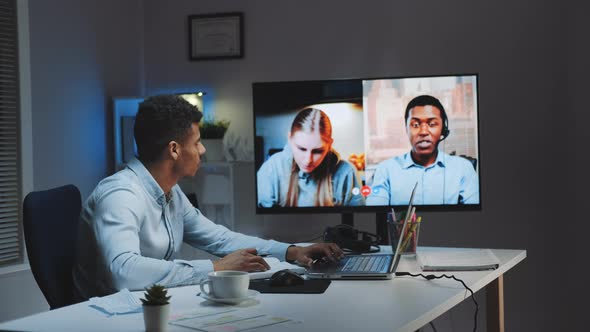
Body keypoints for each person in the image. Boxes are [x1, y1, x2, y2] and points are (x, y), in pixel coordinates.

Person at [72, 95, 343, 300]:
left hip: (148, 306)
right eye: (197, 142)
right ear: (174, 150)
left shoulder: (169, 191)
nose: (202, 150)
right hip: (109, 320)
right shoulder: (120, 195)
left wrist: (291, 251)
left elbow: (220, 238)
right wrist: (216, 267)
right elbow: (123, 272)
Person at [366, 95, 479, 206]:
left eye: (432, 124)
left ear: (443, 130)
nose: (423, 132)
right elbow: (376, 215)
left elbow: (475, 216)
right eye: (415, 124)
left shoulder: (463, 168)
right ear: (406, 129)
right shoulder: (385, 170)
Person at [257, 108, 363, 207]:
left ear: (330, 144)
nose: (308, 160)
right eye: (301, 149)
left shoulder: (347, 173)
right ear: (289, 139)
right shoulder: (271, 169)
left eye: (317, 151)